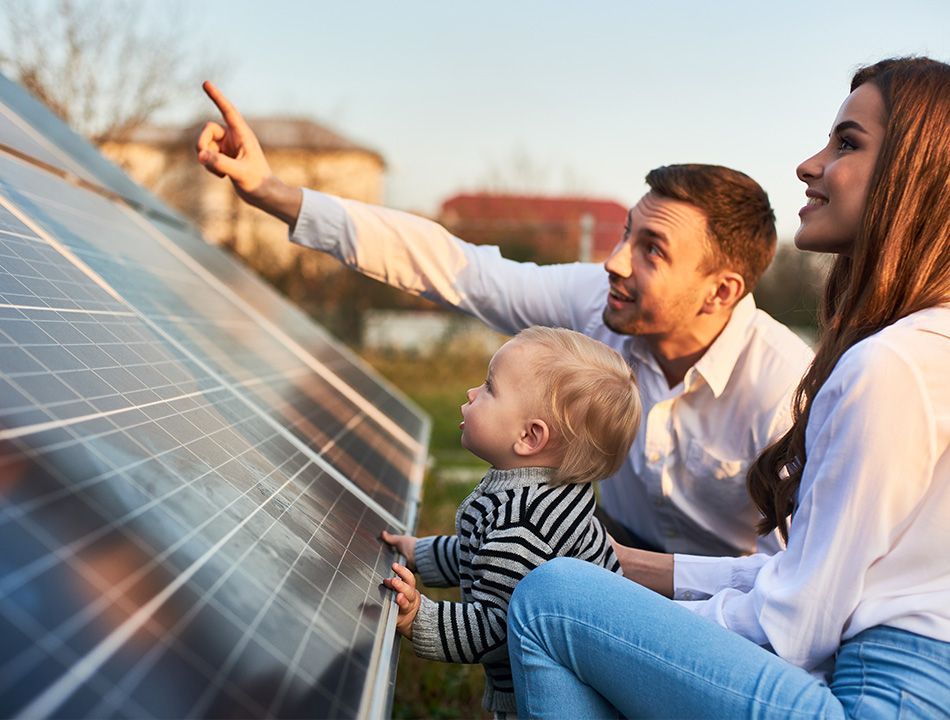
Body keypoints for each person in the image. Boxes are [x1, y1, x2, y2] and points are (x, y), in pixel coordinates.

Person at [505, 56, 950, 718]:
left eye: (847, 143)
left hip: (878, 701)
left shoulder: (887, 367)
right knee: (584, 594)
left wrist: (626, 634)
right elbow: (814, 575)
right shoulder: (926, 349)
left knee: (550, 600)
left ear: (914, 177)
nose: (809, 164)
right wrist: (627, 571)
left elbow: (796, 626)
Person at [195, 86, 814, 559]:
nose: (615, 260)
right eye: (627, 232)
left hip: (729, 606)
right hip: (615, 552)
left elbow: (792, 585)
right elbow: (456, 268)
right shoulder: (600, 302)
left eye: (652, 249)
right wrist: (274, 193)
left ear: (720, 290)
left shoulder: (785, 389)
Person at [378, 326, 640, 716]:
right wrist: (421, 553)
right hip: (579, 673)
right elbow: (482, 553)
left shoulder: (524, 526)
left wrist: (421, 618)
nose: (471, 393)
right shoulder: (545, 492)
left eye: (488, 388)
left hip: (546, 694)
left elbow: (497, 627)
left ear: (529, 437)